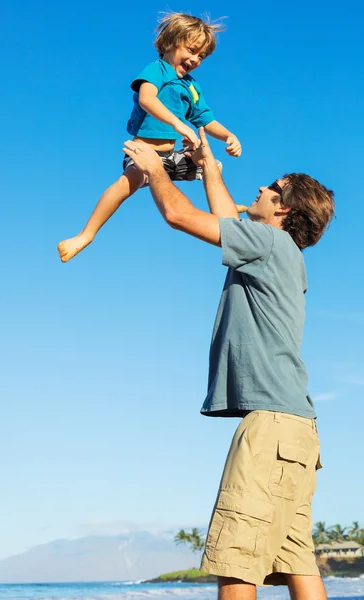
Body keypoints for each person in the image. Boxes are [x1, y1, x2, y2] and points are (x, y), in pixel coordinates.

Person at [123, 128, 335, 600]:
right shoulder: (280, 251)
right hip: (299, 432)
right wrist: (210, 169)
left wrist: (156, 171)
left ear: (284, 209)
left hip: (273, 429)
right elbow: (224, 217)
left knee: (237, 561)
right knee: (296, 560)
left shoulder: (268, 246)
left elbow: (179, 216)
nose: (260, 189)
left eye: (271, 188)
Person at [57, 13, 242, 263]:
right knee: (126, 184)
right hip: (144, 153)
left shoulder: (192, 87)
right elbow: (147, 99)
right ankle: (85, 235)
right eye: (192, 50)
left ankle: (232, 213)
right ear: (169, 43)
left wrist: (228, 135)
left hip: (171, 158)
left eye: (201, 56)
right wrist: (179, 124)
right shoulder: (158, 70)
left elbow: (206, 120)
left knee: (213, 166)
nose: (196, 59)